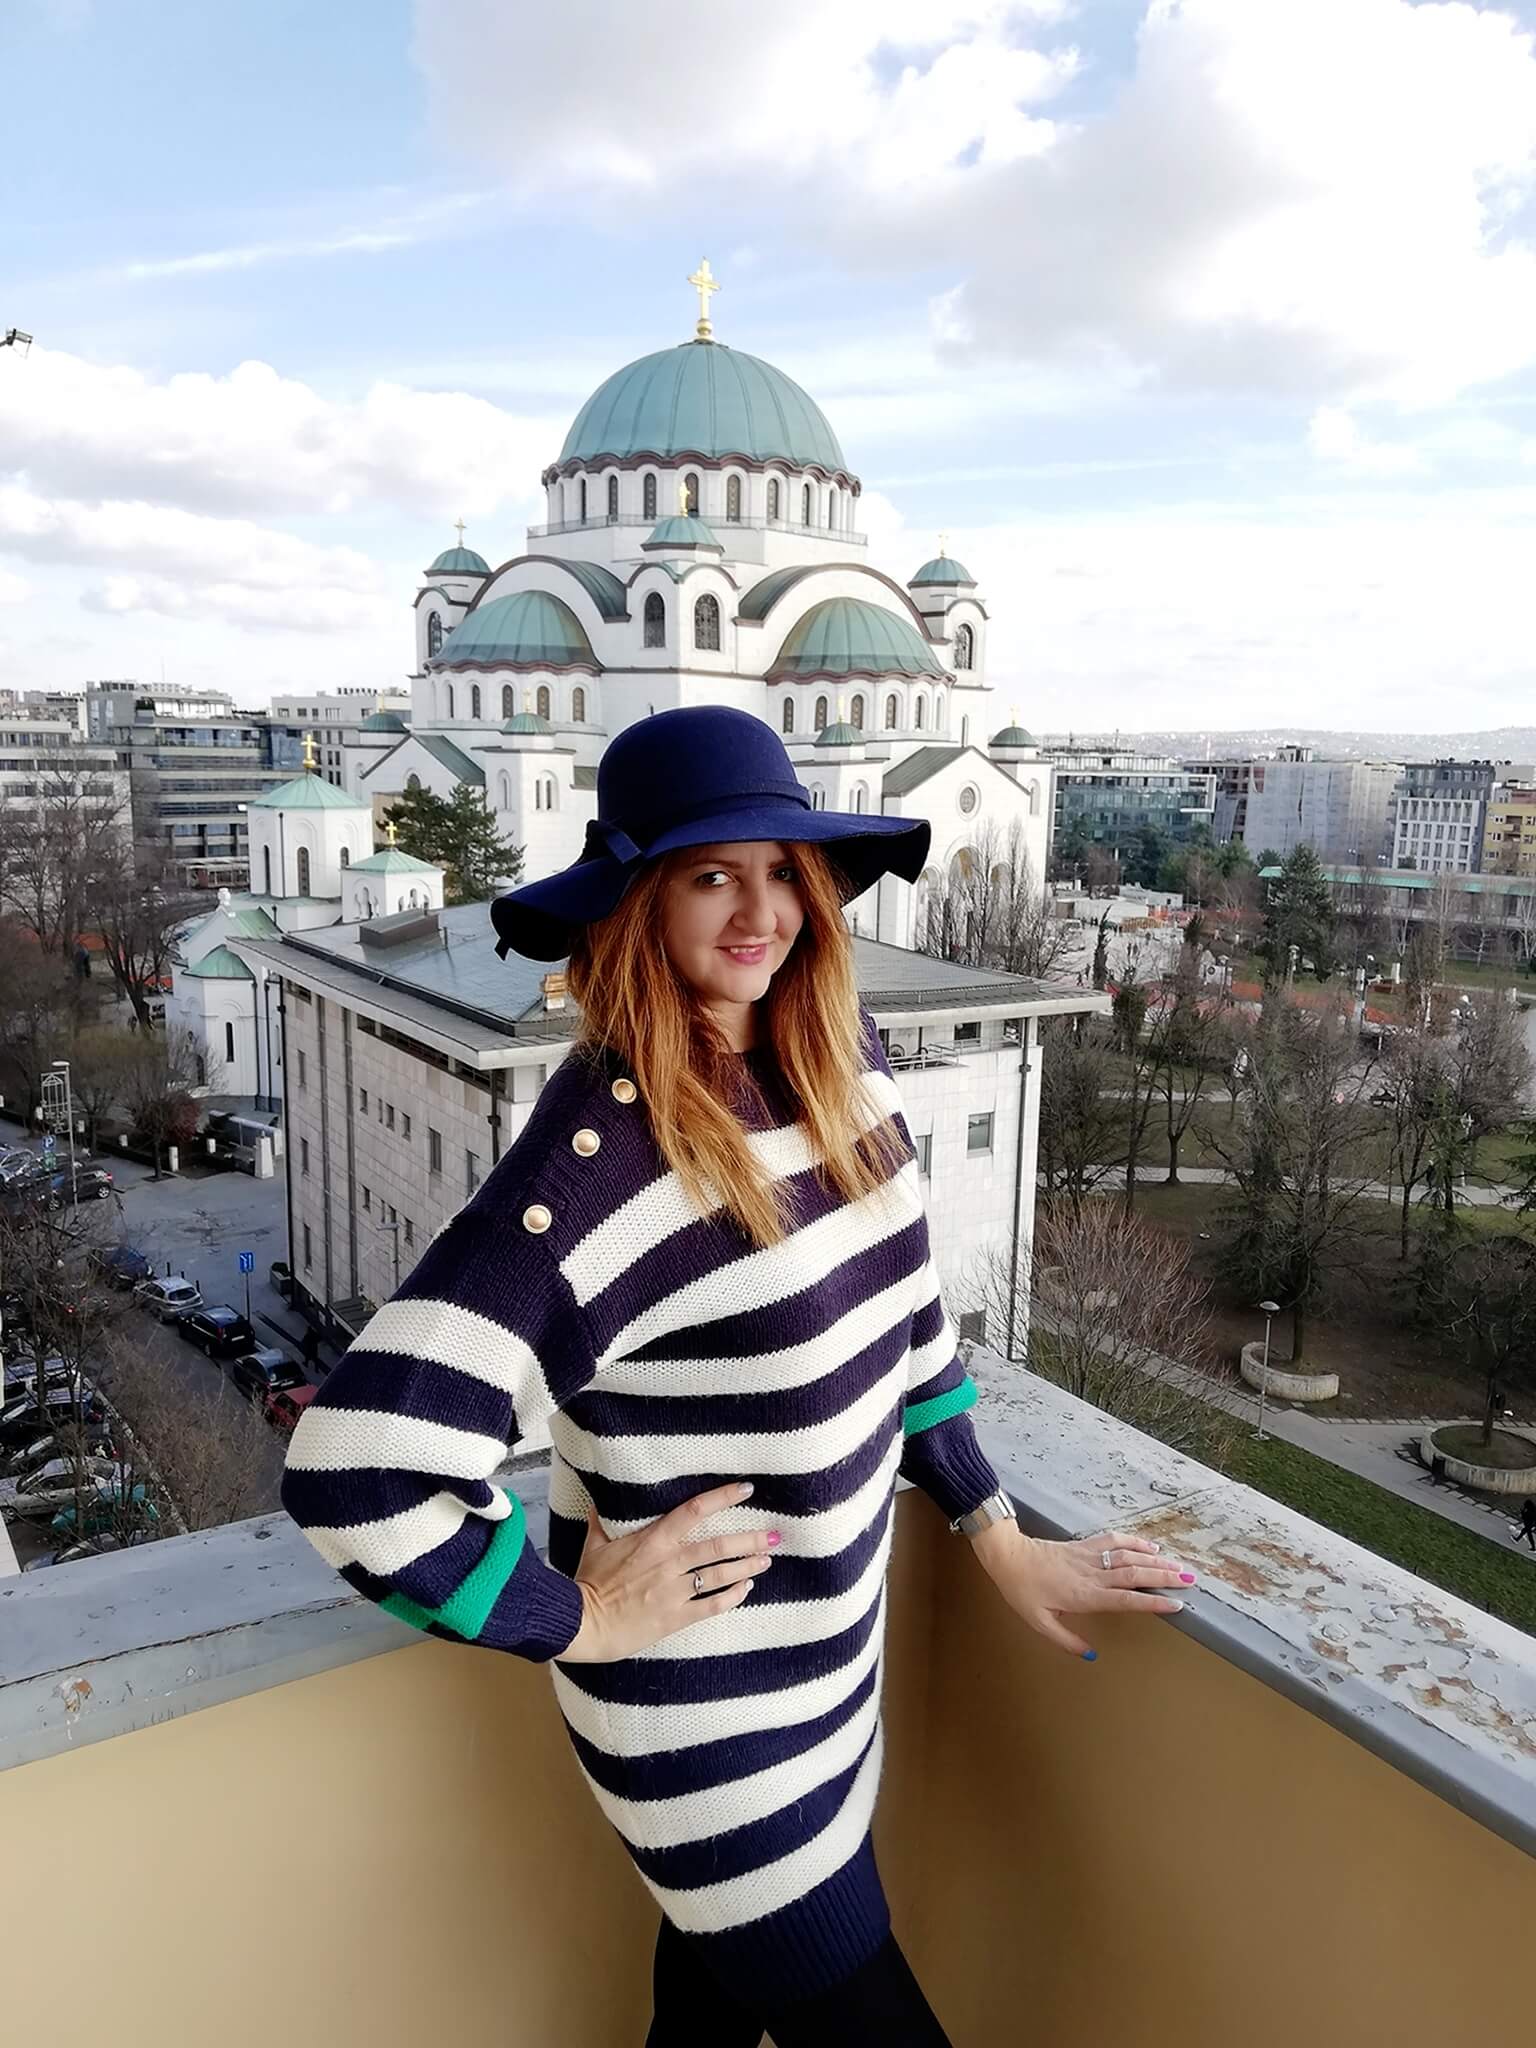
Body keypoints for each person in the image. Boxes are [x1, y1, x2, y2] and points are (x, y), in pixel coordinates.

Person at [279, 706, 1196, 2045]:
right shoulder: (598, 1159)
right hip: (704, 1731)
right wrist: (578, 1617)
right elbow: (361, 1469)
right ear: (638, 903)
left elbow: (908, 1324)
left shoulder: (833, 1060)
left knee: (708, 2017)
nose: (762, 913)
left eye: (783, 870)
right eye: (712, 874)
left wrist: (1000, 1541)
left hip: (834, 1670)